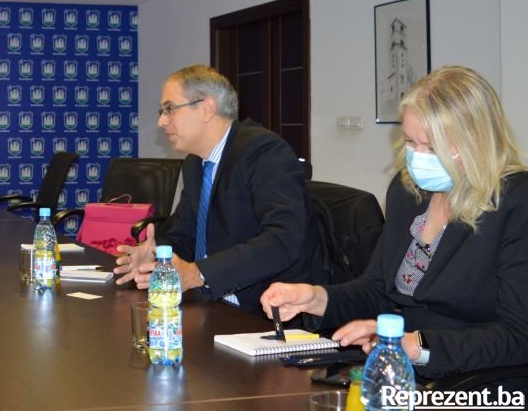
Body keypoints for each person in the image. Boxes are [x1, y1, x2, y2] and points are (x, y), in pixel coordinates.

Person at [261, 66, 528, 379]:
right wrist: (316, 298)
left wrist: (416, 344)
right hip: (400, 369)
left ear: (476, 142)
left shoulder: (515, 201)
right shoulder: (408, 192)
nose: (418, 157)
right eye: (411, 142)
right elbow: (379, 289)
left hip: (480, 379)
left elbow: (518, 334)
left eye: (433, 147)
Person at [114, 64, 324, 313]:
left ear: (207, 108)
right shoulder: (195, 163)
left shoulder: (263, 152)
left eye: (169, 109)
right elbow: (185, 235)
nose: (161, 121)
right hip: (212, 301)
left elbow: (283, 240)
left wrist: (198, 273)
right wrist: (156, 254)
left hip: (265, 309)